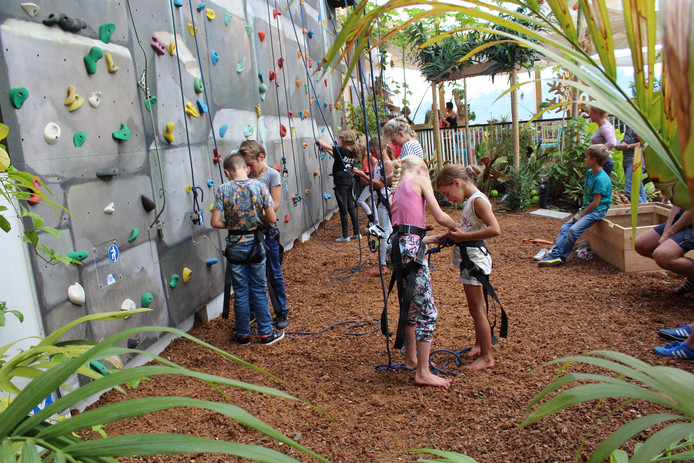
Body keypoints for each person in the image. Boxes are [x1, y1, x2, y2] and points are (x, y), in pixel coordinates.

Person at [387, 155, 458, 387]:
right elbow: (440, 216)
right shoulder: (419, 180)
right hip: (410, 252)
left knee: (410, 306)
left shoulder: (396, 191)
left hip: (396, 250)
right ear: (420, 168)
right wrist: (459, 227)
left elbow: (405, 233)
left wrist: (431, 239)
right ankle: (423, 372)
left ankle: (411, 359)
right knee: (427, 313)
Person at [432, 163, 501, 370]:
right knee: (475, 308)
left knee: (477, 309)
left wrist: (463, 237)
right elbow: (468, 228)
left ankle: (487, 357)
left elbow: (495, 229)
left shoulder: (477, 200)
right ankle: (480, 344)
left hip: (474, 261)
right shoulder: (471, 200)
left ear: (457, 183)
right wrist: (449, 236)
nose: (448, 199)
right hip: (469, 259)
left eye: (447, 193)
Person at [211, 154, 284, 345]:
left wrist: (232, 225)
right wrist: (254, 219)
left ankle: (242, 335)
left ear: (227, 172)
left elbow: (215, 222)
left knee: (241, 291)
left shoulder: (223, 189)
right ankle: (266, 334)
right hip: (255, 244)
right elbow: (272, 218)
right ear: (247, 169)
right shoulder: (259, 187)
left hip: (235, 246)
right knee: (259, 288)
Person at [240, 140, 290, 330]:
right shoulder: (245, 176)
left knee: (273, 272)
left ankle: (281, 311)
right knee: (250, 273)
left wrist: (251, 213)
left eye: (250, 164)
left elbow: (275, 205)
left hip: (267, 231)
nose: (248, 169)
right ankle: (253, 313)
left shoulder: (272, 175)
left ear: (261, 157)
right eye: (245, 165)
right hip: (249, 232)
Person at [539, 144, 613, 267]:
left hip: (597, 211)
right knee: (564, 228)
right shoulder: (590, 172)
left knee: (573, 230)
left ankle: (561, 257)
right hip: (588, 209)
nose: (585, 159)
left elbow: (596, 202)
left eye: (587, 157)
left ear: (594, 160)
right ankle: (555, 255)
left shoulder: (601, 179)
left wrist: (581, 215)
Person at [352, 141, 394, 275]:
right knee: (387, 230)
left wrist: (363, 175)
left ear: (381, 148)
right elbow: (370, 182)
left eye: (372, 151)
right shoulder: (378, 163)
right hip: (381, 199)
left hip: (386, 199)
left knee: (385, 232)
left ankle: (383, 265)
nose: (372, 155)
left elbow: (380, 185)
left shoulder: (388, 164)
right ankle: (387, 261)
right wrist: (360, 175)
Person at [634, 205, 694, 297]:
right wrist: (666, 232)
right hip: (684, 218)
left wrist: (669, 233)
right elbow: (677, 206)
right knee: (641, 244)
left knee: (663, 255)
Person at [317, 131, 360, 242]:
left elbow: (325, 145)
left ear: (344, 140)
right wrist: (327, 150)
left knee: (343, 209)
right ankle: (356, 233)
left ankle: (345, 236)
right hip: (348, 181)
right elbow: (338, 158)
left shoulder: (341, 150)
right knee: (350, 207)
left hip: (341, 183)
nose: (340, 141)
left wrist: (318, 140)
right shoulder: (350, 153)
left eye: (341, 139)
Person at [615, 126, 647, 203]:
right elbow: (625, 143)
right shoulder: (628, 129)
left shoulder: (636, 128)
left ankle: (640, 208)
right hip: (627, 162)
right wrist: (621, 145)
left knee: (629, 189)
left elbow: (643, 143)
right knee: (639, 189)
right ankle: (645, 207)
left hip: (635, 162)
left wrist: (627, 146)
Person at [589, 106, 617, 176]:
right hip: (601, 162)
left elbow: (612, 143)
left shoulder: (605, 127)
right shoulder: (603, 126)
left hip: (604, 162)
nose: (589, 115)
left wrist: (597, 151)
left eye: (590, 113)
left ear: (597, 113)